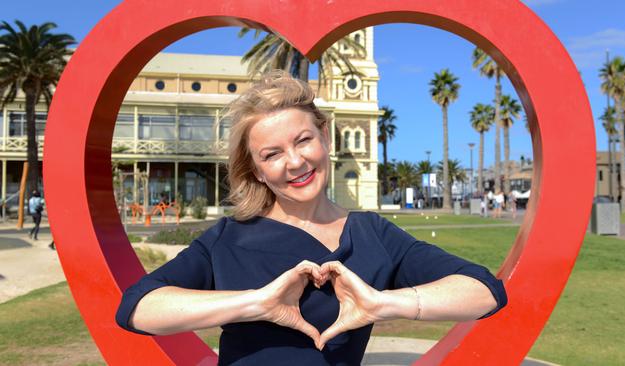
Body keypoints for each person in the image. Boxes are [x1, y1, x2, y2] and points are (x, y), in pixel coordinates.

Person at [115, 71, 507, 365]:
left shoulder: (372, 234)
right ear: (255, 170)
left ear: (324, 136)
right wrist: (256, 303)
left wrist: (383, 304)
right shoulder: (229, 239)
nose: (295, 161)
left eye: (303, 140)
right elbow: (137, 308)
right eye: (271, 154)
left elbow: (484, 291)